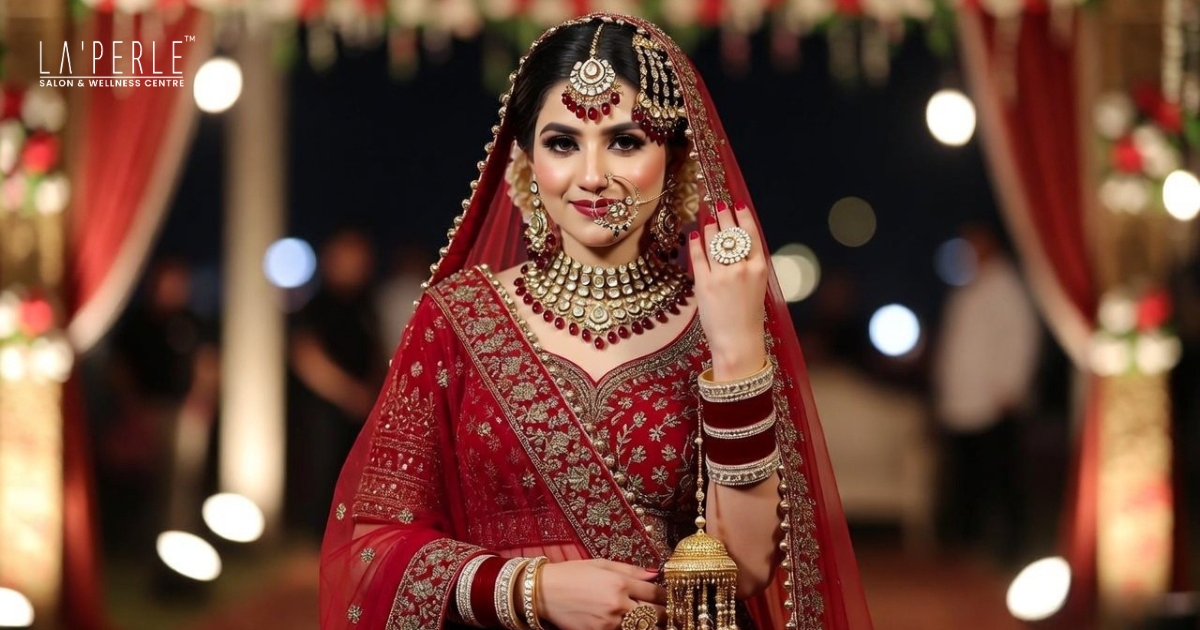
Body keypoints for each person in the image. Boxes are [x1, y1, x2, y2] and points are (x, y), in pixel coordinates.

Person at [319, 14, 873, 630]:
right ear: (525, 158)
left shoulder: (716, 324)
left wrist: (738, 348)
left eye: (626, 141)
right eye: (562, 143)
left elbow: (742, 569)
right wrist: (531, 589)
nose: (590, 176)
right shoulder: (457, 320)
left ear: (676, 155)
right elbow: (370, 549)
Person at [932, 224, 1040, 561]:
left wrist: (1010, 386)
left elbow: (1021, 338)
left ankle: (1010, 546)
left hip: (994, 404)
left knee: (1001, 480)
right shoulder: (971, 288)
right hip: (963, 403)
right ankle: (967, 543)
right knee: (967, 479)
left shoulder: (1005, 287)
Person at [288, 228, 386, 540]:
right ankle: (318, 539)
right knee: (323, 474)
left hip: (362, 407)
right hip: (322, 410)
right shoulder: (316, 306)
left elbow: (377, 351)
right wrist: (347, 393)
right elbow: (306, 357)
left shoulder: (367, 304)